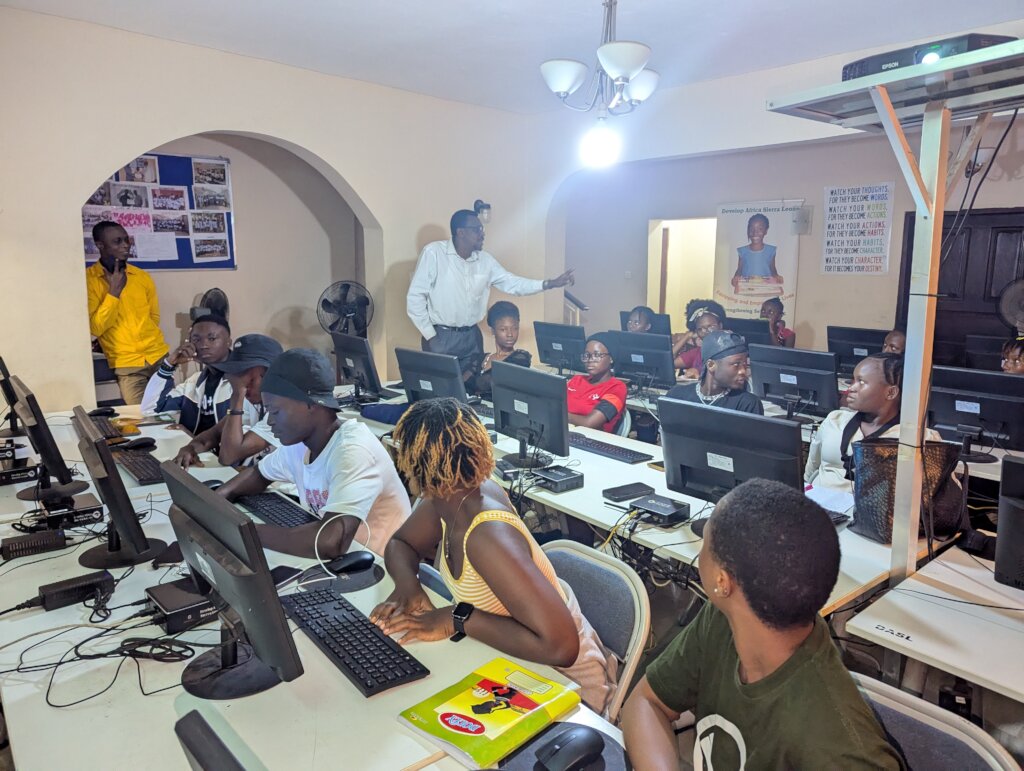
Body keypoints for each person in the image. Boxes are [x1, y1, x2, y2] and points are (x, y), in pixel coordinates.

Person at [621, 479, 905, 770]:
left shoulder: (839, 749)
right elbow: (645, 702)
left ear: (722, 582)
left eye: (705, 541)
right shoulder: (724, 619)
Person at [369, 399, 616, 714]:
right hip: (510, 663)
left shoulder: (487, 536)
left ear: (413, 464)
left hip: (568, 687)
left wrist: (455, 619)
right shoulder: (447, 498)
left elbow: (562, 647)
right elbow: (401, 543)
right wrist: (409, 587)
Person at [216, 348, 410, 558]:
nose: (270, 421)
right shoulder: (302, 443)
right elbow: (259, 474)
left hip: (379, 568)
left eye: (276, 412)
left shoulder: (352, 451)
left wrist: (242, 531)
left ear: (310, 405)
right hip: (344, 561)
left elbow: (330, 542)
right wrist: (216, 500)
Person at [406, 209, 574, 377]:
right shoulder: (434, 253)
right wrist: (430, 335)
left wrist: (549, 284)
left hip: (472, 336)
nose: (482, 234)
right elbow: (415, 297)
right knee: (442, 391)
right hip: (441, 336)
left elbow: (512, 283)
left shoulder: (485, 260)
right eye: (477, 229)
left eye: (482, 229)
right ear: (461, 232)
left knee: (472, 388)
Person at [805, 352, 940, 493]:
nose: (850, 388)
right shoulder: (835, 420)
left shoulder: (917, 438)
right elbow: (811, 469)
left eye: (861, 382)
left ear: (891, 393)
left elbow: (935, 492)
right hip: (818, 505)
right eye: (853, 380)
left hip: (871, 512)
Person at [86, 220, 169, 404]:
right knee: (141, 418)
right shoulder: (89, 281)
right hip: (127, 365)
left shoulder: (141, 277)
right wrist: (113, 292)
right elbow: (96, 328)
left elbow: (153, 317)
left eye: (127, 240)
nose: (125, 246)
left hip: (158, 357)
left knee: (168, 415)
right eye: (117, 241)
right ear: (100, 245)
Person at [173, 334, 284, 468]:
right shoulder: (257, 400)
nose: (244, 387)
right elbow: (213, 435)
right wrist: (190, 448)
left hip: (286, 487)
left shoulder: (283, 409)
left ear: (270, 376)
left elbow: (229, 457)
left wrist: (237, 396)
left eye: (249, 380)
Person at [140, 314, 246, 436]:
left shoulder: (243, 382)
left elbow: (246, 435)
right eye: (196, 340)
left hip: (220, 453)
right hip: (195, 452)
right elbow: (151, 409)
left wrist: (194, 439)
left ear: (228, 342)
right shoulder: (194, 382)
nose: (203, 345)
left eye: (212, 339)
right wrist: (168, 366)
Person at [665, 331, 763, 414]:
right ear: (711, 365)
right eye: (736, 364)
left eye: (745, 365)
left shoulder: (747, 404)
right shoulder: (677, 396)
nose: (743, 371)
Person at [566, 333, 627, 433]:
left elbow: (589, 423)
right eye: (587, 355)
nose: (590, 360)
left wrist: (557, 414)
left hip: (591, 440)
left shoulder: (617, 388)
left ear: (611, 358)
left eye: (597, 355)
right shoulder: (577, 380)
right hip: (563, 433)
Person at [474, 301, 532, 395]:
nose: (510, 334)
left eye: (515, 328)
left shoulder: (520, 359)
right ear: (493, 331)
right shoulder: (482, 359)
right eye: (503, 329)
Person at [676, 299, 727, 379]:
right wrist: (687, 336)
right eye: (700, 329)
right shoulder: (697, 352)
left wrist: (699, 374)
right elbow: (668, 363)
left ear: (720, 326)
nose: (706, 332)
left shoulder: (729, 353)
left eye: (711, 327)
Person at [731, 213, 782, 291]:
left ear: (766, 231)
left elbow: (773, 270)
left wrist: (777, 277)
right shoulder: (742, 251)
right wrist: (735, 278)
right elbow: (739, 269)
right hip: (747, 289)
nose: (755, 233)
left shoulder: (771, 250)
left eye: (760, 229)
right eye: (752, 229)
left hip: (765, 289)